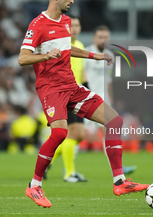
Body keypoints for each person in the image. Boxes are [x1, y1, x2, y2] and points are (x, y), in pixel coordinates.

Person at [18, 0, 149, 208]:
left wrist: (94, 55)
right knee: (60, 134)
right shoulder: (37, 25)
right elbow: (22, 58)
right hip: (50, 88)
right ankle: (34, 186)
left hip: (71, 86)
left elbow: (68, 50)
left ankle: (119, 181)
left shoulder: (66, 22)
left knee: (115, 120)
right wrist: (45, 55)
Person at [85, 25, 137, 174]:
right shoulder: (86, 54)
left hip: (103, 101)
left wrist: (110, 100)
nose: (103, 40)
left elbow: (108, 80)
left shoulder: (109, 55)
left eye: (106, 37)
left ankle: (118, 168)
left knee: (110, 130)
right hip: (87, 99)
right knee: (75, 134)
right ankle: (54, 162)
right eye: (100, 37)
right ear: (94, 38)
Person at [48, 15, 88, 183]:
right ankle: (69, 173)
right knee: (73, 133)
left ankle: (46, 160)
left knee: (77, 135)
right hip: (65, 94)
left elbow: (82, 72)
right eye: (72, 25)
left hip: (78, 93)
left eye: (78, 25)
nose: (75, 29)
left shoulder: (79, 46)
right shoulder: (61, 46)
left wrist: (88, 91)